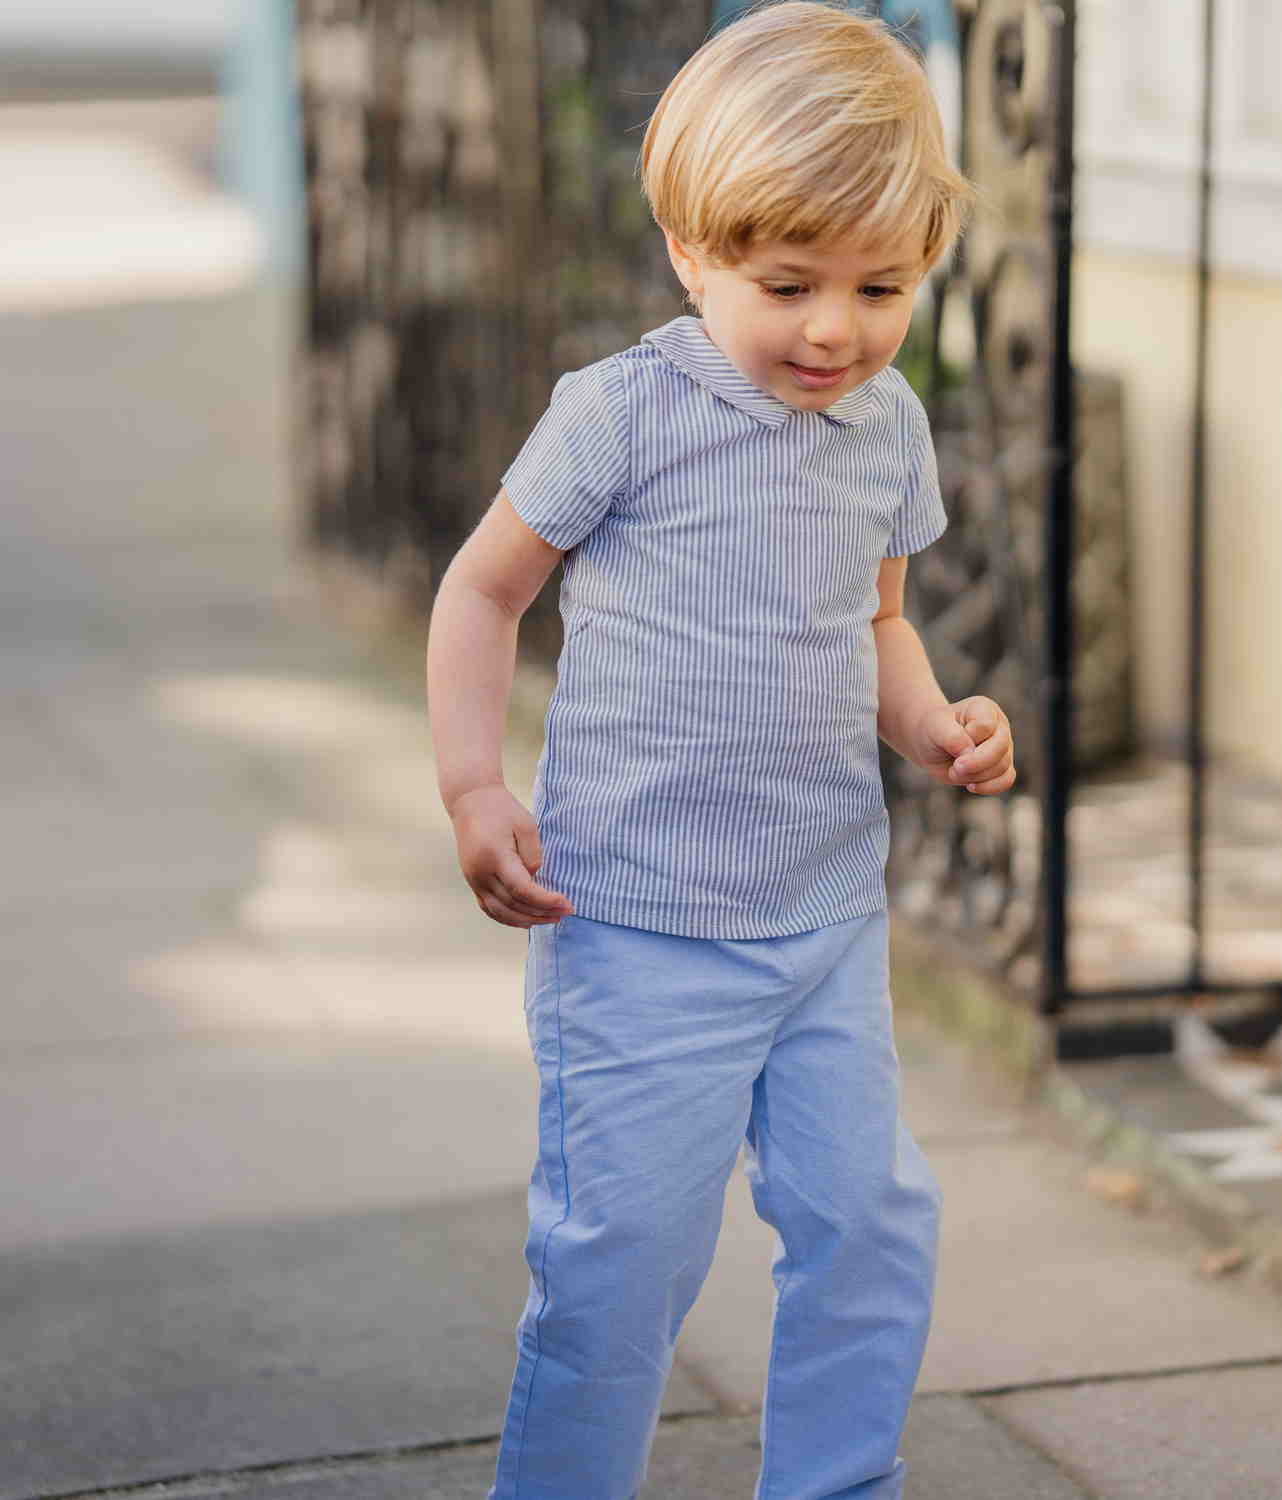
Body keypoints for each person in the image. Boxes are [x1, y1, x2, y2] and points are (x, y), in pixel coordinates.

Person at [426, 4, 1015, 1495]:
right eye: (790, 280)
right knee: (622, 1259)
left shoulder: (885, 428)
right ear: (694, 252)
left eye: (882, 285)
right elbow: (484, 589)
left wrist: (936, 722)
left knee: (867, 1227)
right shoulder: (620, 414)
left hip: (822, 916)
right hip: (637, 927)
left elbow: (875, 627)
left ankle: (837, 1483)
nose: (837, 326)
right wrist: (474, 782)